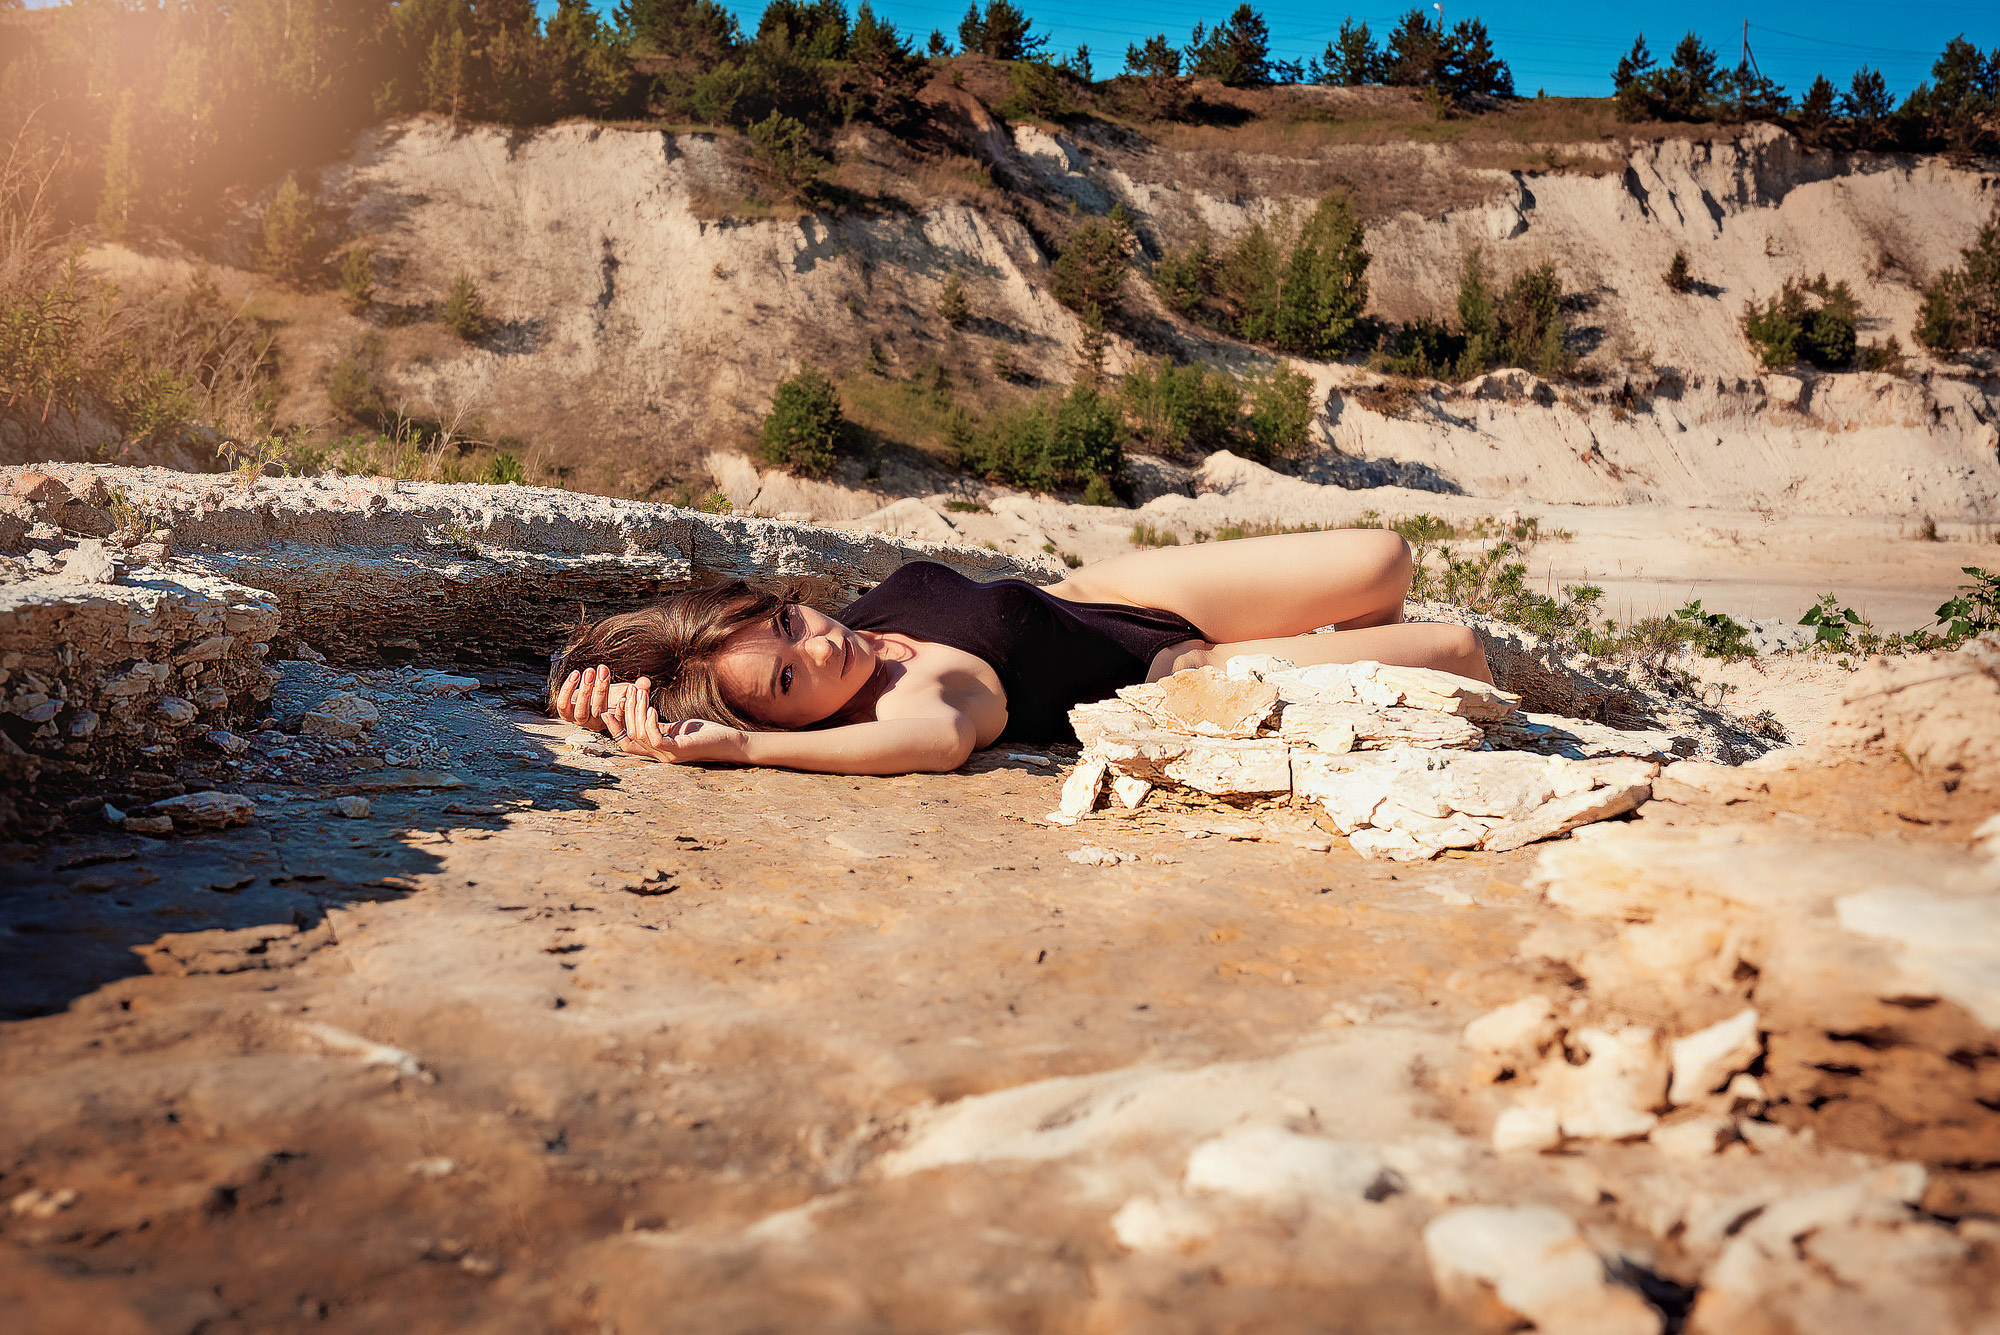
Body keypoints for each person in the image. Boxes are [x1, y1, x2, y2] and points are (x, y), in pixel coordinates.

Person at [548, 529, 1490, 776]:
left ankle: (1337, 662)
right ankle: (1341, 685)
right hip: (1176, 673)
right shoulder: (901, 706)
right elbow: (942, 742)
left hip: (1126, 592)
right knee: (1454, 647)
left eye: (790, 623)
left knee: (1383, 558)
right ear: (779, 718)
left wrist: (601, 699)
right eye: (789, 681)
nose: (825, 642)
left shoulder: (851, 636)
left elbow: (672, 674)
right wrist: (743, 751)